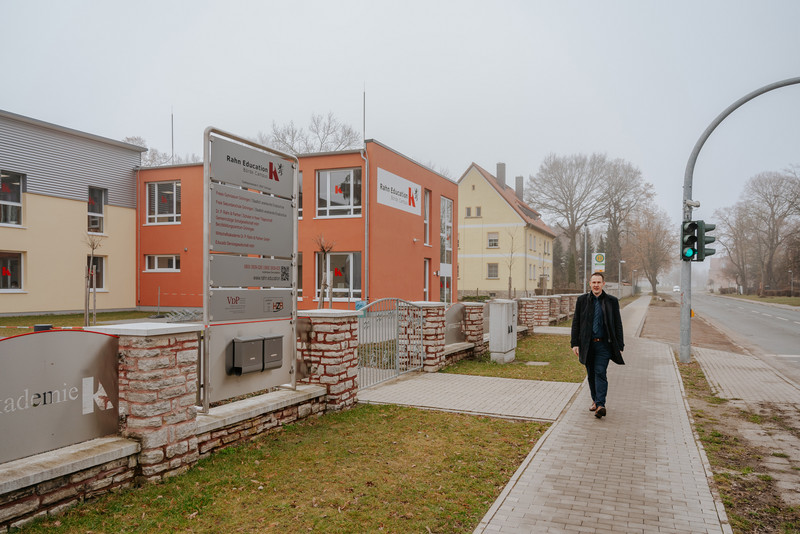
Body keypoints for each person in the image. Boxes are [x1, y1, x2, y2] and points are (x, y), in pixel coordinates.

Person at [570, 272, 625, 418]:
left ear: (603, 284)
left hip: (604, 345)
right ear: (590, 284)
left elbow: (618, 323)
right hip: (587, 345)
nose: (596, 285)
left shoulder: (611, 301)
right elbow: (576, 322)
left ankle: (601, 404)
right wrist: (574, 343)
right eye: (593, 282)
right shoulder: (582, 300)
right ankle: (595, 400)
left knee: (600, 372)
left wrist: (620, 345)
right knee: (591, 374)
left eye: (598, 282)